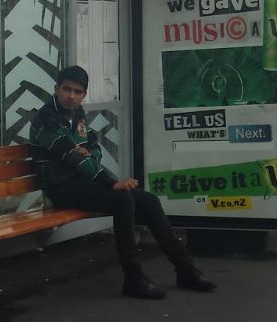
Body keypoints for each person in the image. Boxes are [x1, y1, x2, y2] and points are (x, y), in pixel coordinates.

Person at [29, 65, 217, 300]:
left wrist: (86, 154)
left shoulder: (77, 114)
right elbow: (72, 156)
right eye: (66, 89)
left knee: (148, 200)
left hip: (83, 182)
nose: (71, 96)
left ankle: (185, 269)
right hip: (60, 187)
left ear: (84, 94)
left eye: (77, 91)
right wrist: (108, 181)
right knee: (122, 199)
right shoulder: (45, 118)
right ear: (56, 89)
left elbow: (93, 148)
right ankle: (134, 278)